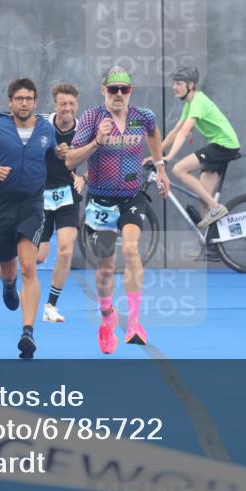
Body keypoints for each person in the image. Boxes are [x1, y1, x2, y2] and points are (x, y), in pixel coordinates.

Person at [64, 66, 170, 354]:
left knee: (132, 249)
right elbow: (70, 161)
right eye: (114, 89)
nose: (119, 95)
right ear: (104, 91)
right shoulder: (92, 118)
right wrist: (97, 141)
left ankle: (134, 320)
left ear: (130, 92)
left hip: (132, 196)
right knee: (106, 269)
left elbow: (154, 133)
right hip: (100, 200)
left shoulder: (142, 117)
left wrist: (160, 167)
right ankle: (107, 317)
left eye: (124, 89)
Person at [0, 77, 61, 359]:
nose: (24, 103)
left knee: (29, 267)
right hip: (0, 206)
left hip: (31, 205)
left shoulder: (45, 129)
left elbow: (54, 162)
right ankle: (7, 284)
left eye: (29, 98)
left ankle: (28, 332)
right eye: (19, 98)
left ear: (35, 101)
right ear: (10, 102)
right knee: (9, 268)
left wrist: (72, 172)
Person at [159, 66, 241, 229]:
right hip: (219, 145)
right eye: (174, 83)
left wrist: (168, 157)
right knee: (204, 198)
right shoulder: (189, 105)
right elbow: (175, 131)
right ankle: (210, 248)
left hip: (224, 145)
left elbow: (184, 131)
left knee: (178, 169)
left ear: (191, 85)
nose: (175, 87)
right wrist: (156, 154)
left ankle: (216, 208)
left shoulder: (198, 101)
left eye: (179, 83)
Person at [36, 83, 85, 323]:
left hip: (67, 195)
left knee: (66, 250)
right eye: (63, 104)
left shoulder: (85, 129)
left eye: (71, 104)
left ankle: (50, 306)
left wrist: (84, 178)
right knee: (39, 256)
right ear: (55, 105)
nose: (67, 108)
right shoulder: (41, 124)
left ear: (77, 105)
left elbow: (99, 158)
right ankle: (10, 265)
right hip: (41, 195)